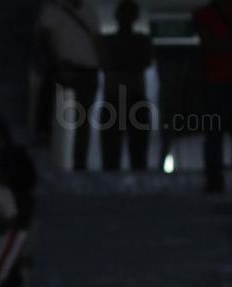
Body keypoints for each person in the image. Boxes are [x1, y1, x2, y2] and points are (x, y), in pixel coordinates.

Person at [193, 0, 232, 192]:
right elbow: (210, 41)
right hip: (225, 78)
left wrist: (224, 46)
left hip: (230, 78)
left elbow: (211, 42)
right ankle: (223, 178)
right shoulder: (205, 14)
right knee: (228, 131)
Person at [36, 0, 105, 170]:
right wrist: (58, 67)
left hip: (88, 69)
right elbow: (45, 39)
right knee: (52, 115)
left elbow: (96, 40)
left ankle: (79, 163)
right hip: (63, 67)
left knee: (83, 120)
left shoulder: (90, 11)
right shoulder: (53, 9)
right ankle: (49, 161)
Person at [102, 0, 155, 171]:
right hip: (130, 94)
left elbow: (107, 62)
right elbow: (144, 62)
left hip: (118, 94)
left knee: (113, 150)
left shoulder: (110, 41)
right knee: (136, 149)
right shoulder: (141, 41)